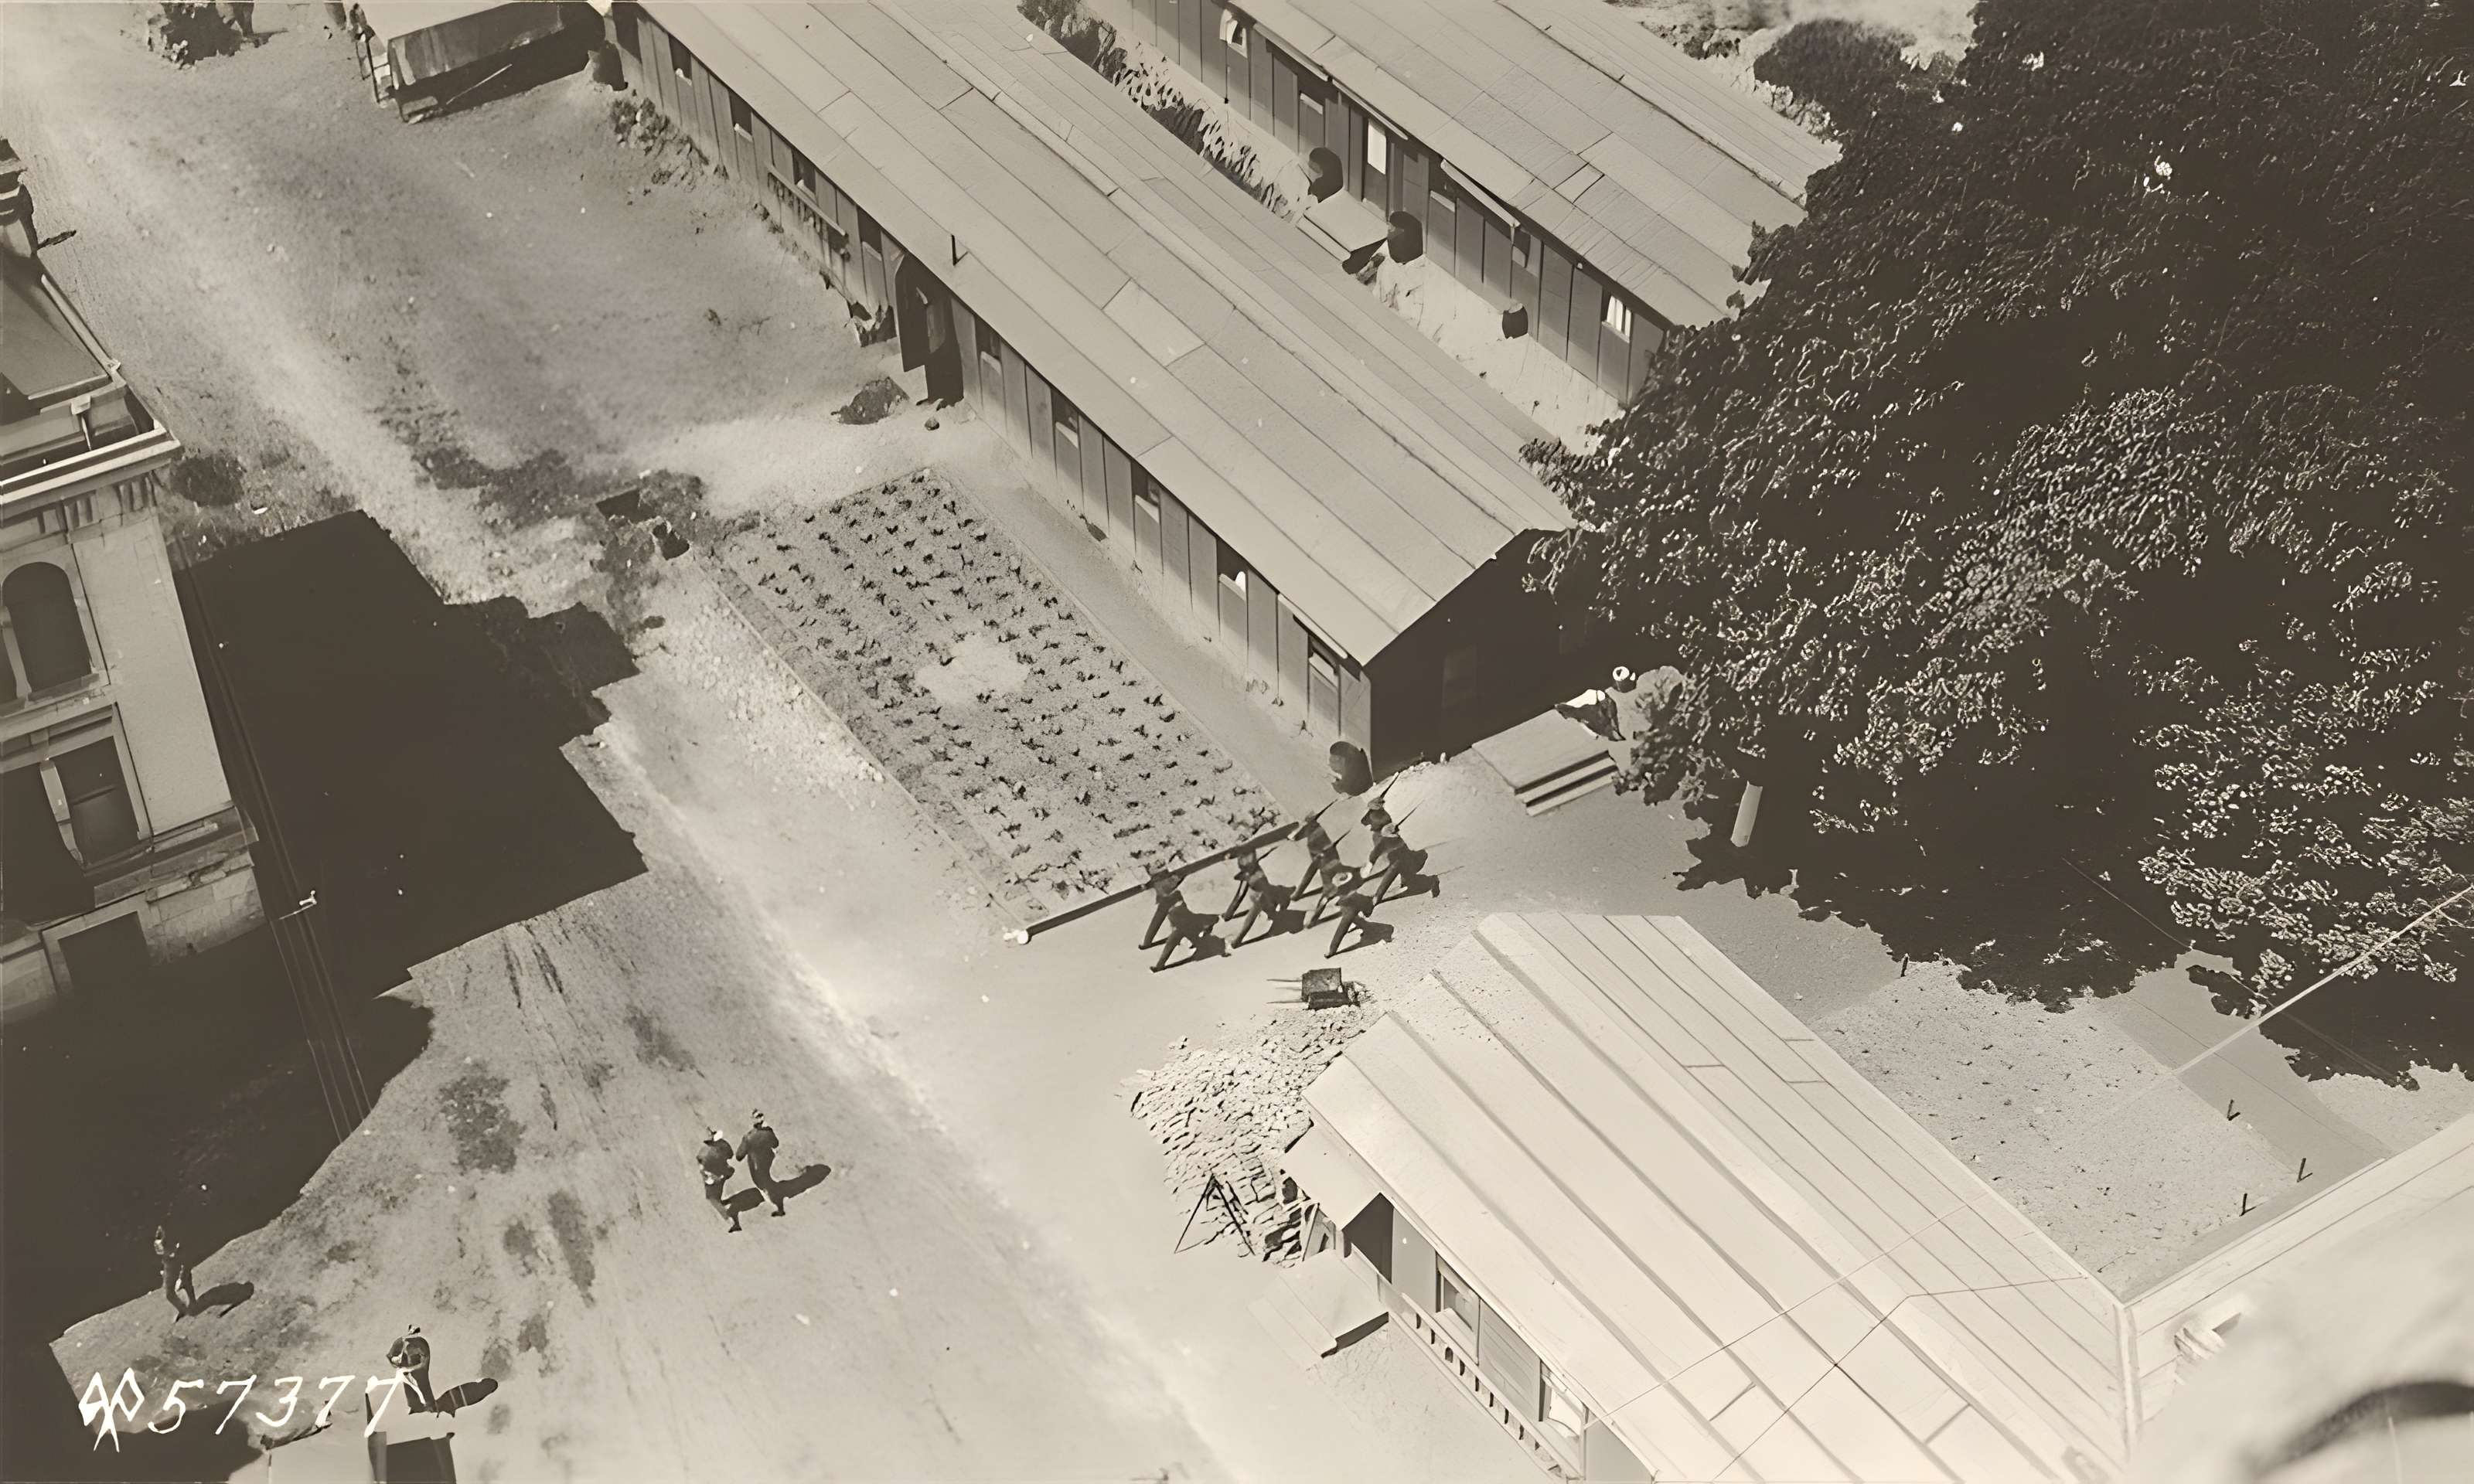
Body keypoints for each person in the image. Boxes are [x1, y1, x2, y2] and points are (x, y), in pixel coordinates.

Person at [1225, 855, 1286, 948]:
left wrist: (1228, 915)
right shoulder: (1258, 870)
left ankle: (1237, 942)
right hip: (1270, 898)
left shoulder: (1249, 877)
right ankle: (1274, 911)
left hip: (1264, 900)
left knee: (1251, 916)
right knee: (1259, 907)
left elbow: (1239, 896)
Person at [737, 1111, 787, 1219]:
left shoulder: (749, 1136)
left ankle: (778, 1204)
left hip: (756, 1164)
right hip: (768, 1160)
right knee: (767, 1180)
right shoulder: (768, 1131)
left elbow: (739, 1156)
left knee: (763, 1184)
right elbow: (776, 1143)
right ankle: (776, 1201)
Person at [1322, 867, 1380, 959]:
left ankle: (1333, 950)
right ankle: (1360, 921)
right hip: (1356, 904)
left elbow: (1339, 932)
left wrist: (1332, 951)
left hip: (1351, 906)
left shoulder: (1343, 900)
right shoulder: (1353, 890)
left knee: (1345, 925)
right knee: (1350, 920)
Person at [698, 1128, 741, 1234]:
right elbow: (731, 1155)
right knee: (717, 1194)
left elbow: (703, 1164)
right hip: (724, 1173)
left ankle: (731, 1221)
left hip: (714, 1177)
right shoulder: (724, 1144)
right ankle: (723, 1203)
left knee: (711, 1198)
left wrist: (706, 1175)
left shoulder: (708, 1151)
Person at [1137, 863, 1188, 951]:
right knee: (1173, 917)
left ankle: (1147, 942)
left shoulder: (1155, 879)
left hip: (1165, 900)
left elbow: (1148, 884)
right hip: (1171, 899)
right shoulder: (1167, 879)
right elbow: (1179, 877)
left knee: (1157, 920)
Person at [1290, 815, 1342, 898]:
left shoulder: (1330, 876)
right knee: (1308, 876)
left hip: (1321, 857)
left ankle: (1297, 894)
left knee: (1308, 876)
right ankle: (1297, 894)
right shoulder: (1332, 872)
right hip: (1321, 856)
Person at [387, 1325, 433, 1414]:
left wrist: (409, 1369)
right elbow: (391, 1355)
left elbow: (424, 1361)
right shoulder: (400, 1341)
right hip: (404, 1370)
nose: (412, 1333)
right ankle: (415, 1407)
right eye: (411, 1331)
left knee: (422, 1385)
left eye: (415, 1331)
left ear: (418, 1333)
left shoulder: (422, 1343)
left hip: (418, 1371)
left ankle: (428, 1405)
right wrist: (394, 1360)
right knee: (409, 1389)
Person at [154, 1225, 195, 1321]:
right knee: (170, 1293)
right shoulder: (163, 1233)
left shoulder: (171, 1235)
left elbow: (174, 1251)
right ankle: (183, 1308)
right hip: (170, 1266)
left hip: (175, 1265)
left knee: (186, 1282)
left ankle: (191, 1303)